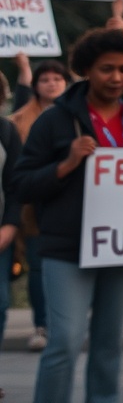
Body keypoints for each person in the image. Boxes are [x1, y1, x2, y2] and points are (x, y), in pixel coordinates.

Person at [13, 27, 123, 403]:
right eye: (106, 69)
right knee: (64, 341)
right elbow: (22, 184)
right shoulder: (55, 121)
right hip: (67, 247)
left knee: (109, 343)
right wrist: (66, 164)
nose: (117, 78)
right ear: (85, 71)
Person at [9, 57, 71, 352]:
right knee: (38, 268)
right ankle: (42, 325)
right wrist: (23, 66)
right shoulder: (19, 120)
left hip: (70, 204)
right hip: (34, 208)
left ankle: (65, 324)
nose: (51, 84)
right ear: (35, 85)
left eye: (57, 79)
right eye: (45, 79)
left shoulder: (78, 116)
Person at [0, 77, 24, 400]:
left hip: (1, 237)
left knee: (1, 303)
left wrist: (9, 226)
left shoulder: (6, 131)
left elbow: (16, 185)